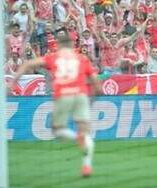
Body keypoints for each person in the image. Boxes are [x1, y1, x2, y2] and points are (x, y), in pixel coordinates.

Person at [8, 35, 101, 177]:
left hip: (63, 95)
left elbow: (28, 64)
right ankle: (87, 166)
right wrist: (92, 100)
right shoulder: (82, 59)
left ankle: (76, 137)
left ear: (59, 45)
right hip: (81, 95)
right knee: (86, 132)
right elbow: (97, 85)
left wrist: (12, 82)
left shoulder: (54, 57)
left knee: (57, 130)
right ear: (71, 45)